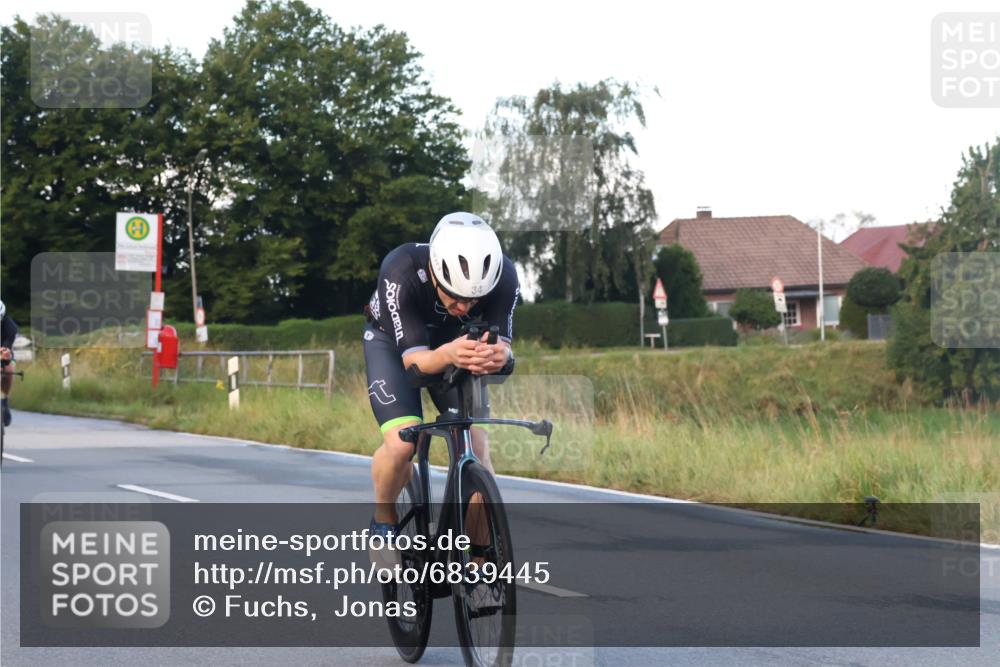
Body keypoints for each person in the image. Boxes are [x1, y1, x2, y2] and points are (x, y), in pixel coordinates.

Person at [363, 212, 519, 560]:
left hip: (456, 347)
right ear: (435, 271)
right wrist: (449, 352)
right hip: (393, 344)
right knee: (405, 441)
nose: (464, 307)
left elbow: (505, 350)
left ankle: (480, 561)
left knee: (477, 448)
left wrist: (500, 357)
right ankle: (383, 519)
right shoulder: (401, 269)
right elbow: (415, 365)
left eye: (474, 300)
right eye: (455, 297)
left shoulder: (505, 275)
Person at [1, 299, 18, 427]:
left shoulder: (10, 326)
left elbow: (7, 348)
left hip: (2, 351)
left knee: (9, 369)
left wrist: (5, 352)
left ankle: (4, 400)